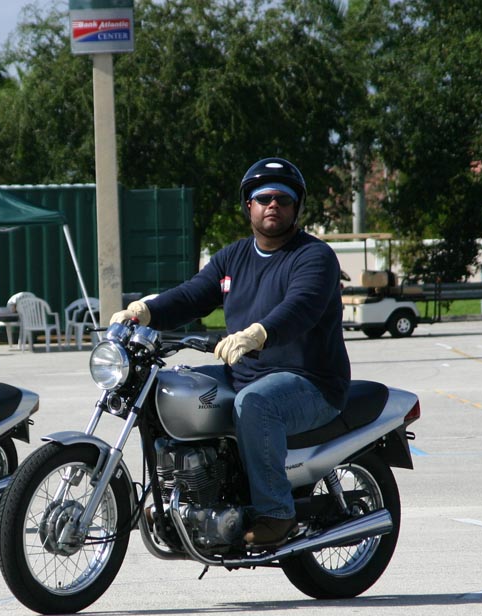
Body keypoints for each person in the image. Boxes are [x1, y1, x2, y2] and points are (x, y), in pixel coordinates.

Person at [110, 157, 351, 548]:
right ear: (249, 205)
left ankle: (277, 514)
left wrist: (257, 334)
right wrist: (143, 312)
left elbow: (301, 306)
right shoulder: (232, 257)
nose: (273, 205)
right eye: (264, 198)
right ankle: (177, 495)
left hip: (310, 381)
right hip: (244, 372)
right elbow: (192, 295)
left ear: (296, 207)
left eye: (284, 199)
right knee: (166, 389)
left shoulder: (314, 256)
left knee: (255, 403)